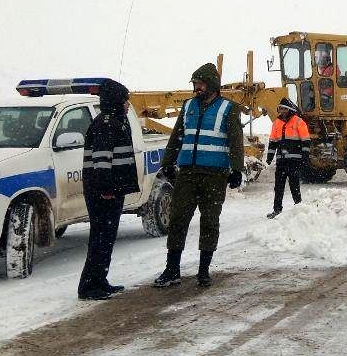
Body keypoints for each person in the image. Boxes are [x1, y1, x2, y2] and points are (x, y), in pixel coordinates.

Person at [152, 63, 244, 288]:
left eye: (200, 84)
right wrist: (168, 163)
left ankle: (204, 271)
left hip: (215, 175)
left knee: (210, 221)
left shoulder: (228, 108)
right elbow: (177, 137)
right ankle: (172, 270)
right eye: (194, 84)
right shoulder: (188, 106)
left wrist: (237, 169)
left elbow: (235, 141)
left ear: (211, 84)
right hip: (187, 174)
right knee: (178, 219)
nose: (196, 88)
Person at [77, 79, 140, 301]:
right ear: (116, 101)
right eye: (125, 100)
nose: (127, 105)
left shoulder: (113, 121)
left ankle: (100, 280)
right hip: (103, 192)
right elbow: (101, 160)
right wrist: (106, 188)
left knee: (106, 237)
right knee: (100, 237)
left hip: (111, 190)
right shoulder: (106, 124)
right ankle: (88, 286)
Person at [266, 96, 310, 219]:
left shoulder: (298, 122)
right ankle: (277, 210)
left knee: (294, 185)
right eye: (280, 109)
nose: (282, 111)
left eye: (284, 109)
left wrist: (305, 156)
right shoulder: (276, 123)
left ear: (289, 109)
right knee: (278, 186)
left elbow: (306, 141)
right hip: (281, 161)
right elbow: (273, 142)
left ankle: (299, 207)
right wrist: (270, 156)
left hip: (294, 161)